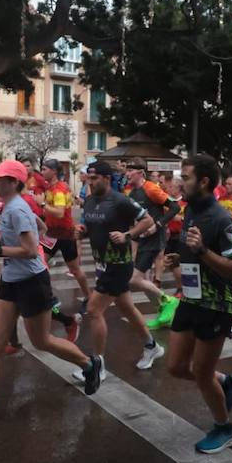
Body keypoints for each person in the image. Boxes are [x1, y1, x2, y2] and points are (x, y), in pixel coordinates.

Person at [0, 160, 103, 420]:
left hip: (32, 281)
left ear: (13, 182)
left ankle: (89, 364)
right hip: (11, 280)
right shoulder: (14, 205)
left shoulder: (17, 209)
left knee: (41, 341)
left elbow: (31, 250)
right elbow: (42, 228)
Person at [162, 154, 232, 454]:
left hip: (216, 305)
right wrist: (181, 257)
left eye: (185, 178)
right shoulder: (191, 211)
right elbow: (195, 251)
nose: (178, 183)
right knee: (174, 366)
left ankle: (224, 429)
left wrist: (201, 252)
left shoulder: (220, 218)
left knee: (200, 372)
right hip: (191, 297)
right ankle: (226, 381)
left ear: (204, 182)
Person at [75, 160, 164, 379]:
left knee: (94, 310)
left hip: (118, 264)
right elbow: (94, 228)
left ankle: (97, 366)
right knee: (127, 308)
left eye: (95, 178)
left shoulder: (120, 200)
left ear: (106, 179)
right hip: (101, 263)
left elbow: (147, 220)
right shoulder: (88, 201)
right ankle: (152, 346)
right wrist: (83, 232)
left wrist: (127, 235)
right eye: (89, 177)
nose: (91, 182)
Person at [122, 158, 181, 330]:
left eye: (130, 170)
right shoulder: (131, 192)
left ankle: (169, 300)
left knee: (135, 279)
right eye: (126, 170)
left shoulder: (151, 188)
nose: (127, 174)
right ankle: (163, 313)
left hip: (155, 239)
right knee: (143, 280)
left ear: (140, 172)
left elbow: (175, 208)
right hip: (142, 240)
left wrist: (158, 225)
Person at [38, 160, 91, 304]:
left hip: (65, 235)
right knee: (39, 264)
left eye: (44, 169)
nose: (42, 172)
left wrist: (42, 204)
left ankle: (88, 297)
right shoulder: (53, 186)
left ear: (54, 171)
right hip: (51, 234)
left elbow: (60, 213)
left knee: (75, 270)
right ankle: (48, 297)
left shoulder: (58, 190)